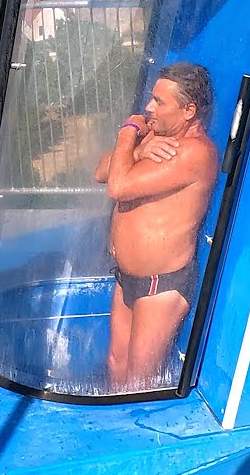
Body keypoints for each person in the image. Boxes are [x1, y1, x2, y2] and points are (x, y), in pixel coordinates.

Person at [93, 62, 219, 388]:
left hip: (159, 285)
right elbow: (101, 171)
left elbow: (117, 187)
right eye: (151, 98)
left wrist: (128, 133)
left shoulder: (195, 152)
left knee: (138, 381)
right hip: (127, 278)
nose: (148, 108)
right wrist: (138, 148)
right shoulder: (156, 135)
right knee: (116, 365)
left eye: (159, 102)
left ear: (189, 110)